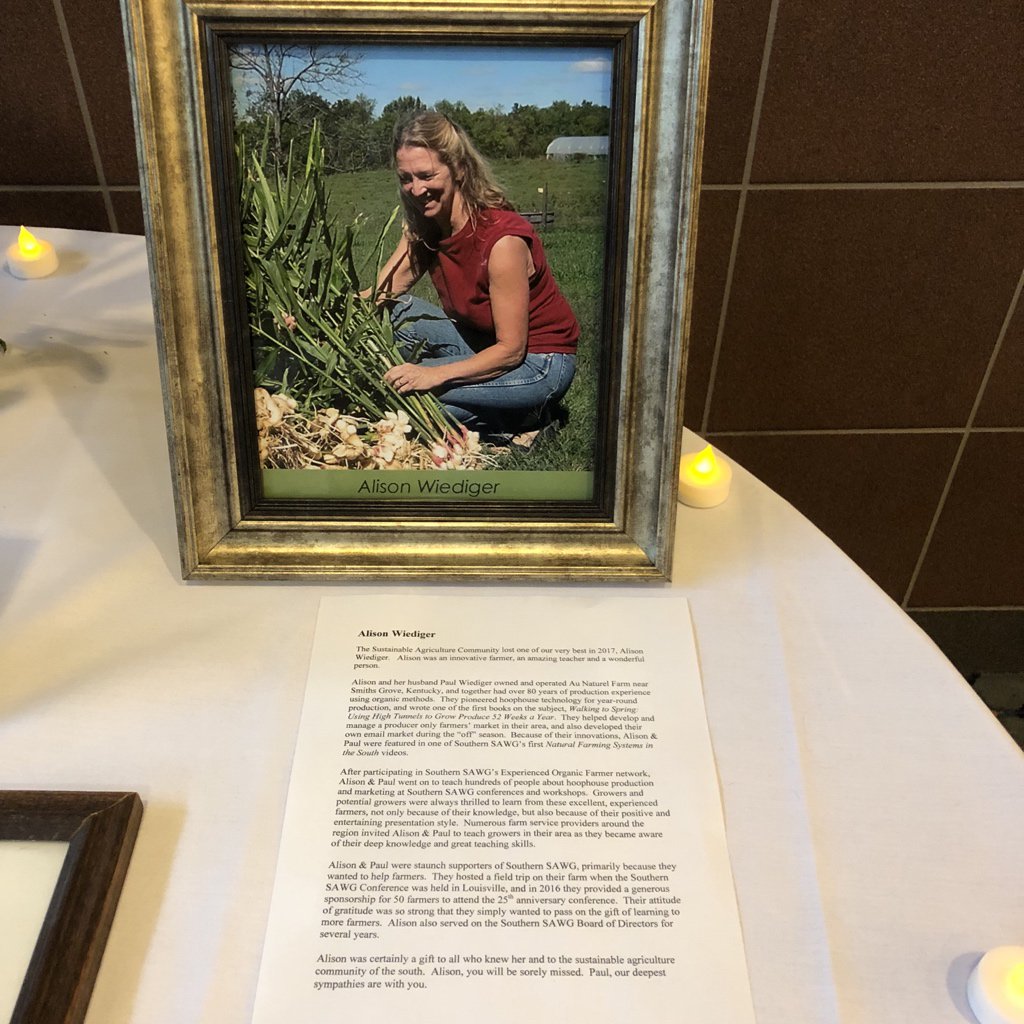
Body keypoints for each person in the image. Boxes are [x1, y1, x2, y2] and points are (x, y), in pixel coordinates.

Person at [375, 110, 579, 440]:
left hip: (539, 363)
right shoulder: (426, 229)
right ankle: (515, 416)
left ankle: (524, 413)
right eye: (406, 178)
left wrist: (434, 374)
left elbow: (511, 351)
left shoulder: (502, 242)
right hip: (485, 343)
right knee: (398, 311)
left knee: (413, 403)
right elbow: (379, 296)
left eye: (426, 175)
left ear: (459, 169)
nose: (416, 189)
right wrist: (314, 315)